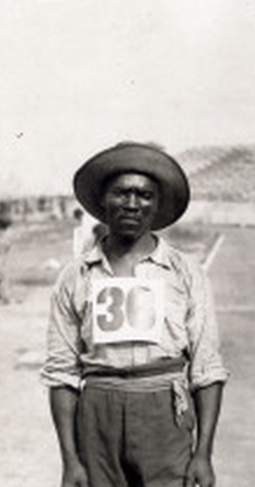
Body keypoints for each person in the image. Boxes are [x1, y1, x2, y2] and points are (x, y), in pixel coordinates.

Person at [41, 141, 228, 487]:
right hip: (98, 414)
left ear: (156, 205)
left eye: (144, 195)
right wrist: (70, 461)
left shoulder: (184, 271)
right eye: (121, 193)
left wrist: (203, 454)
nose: (132, 204)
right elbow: (61, 372)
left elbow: (207, 368)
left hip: (164, 413)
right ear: (102, 201)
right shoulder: (77, 274)